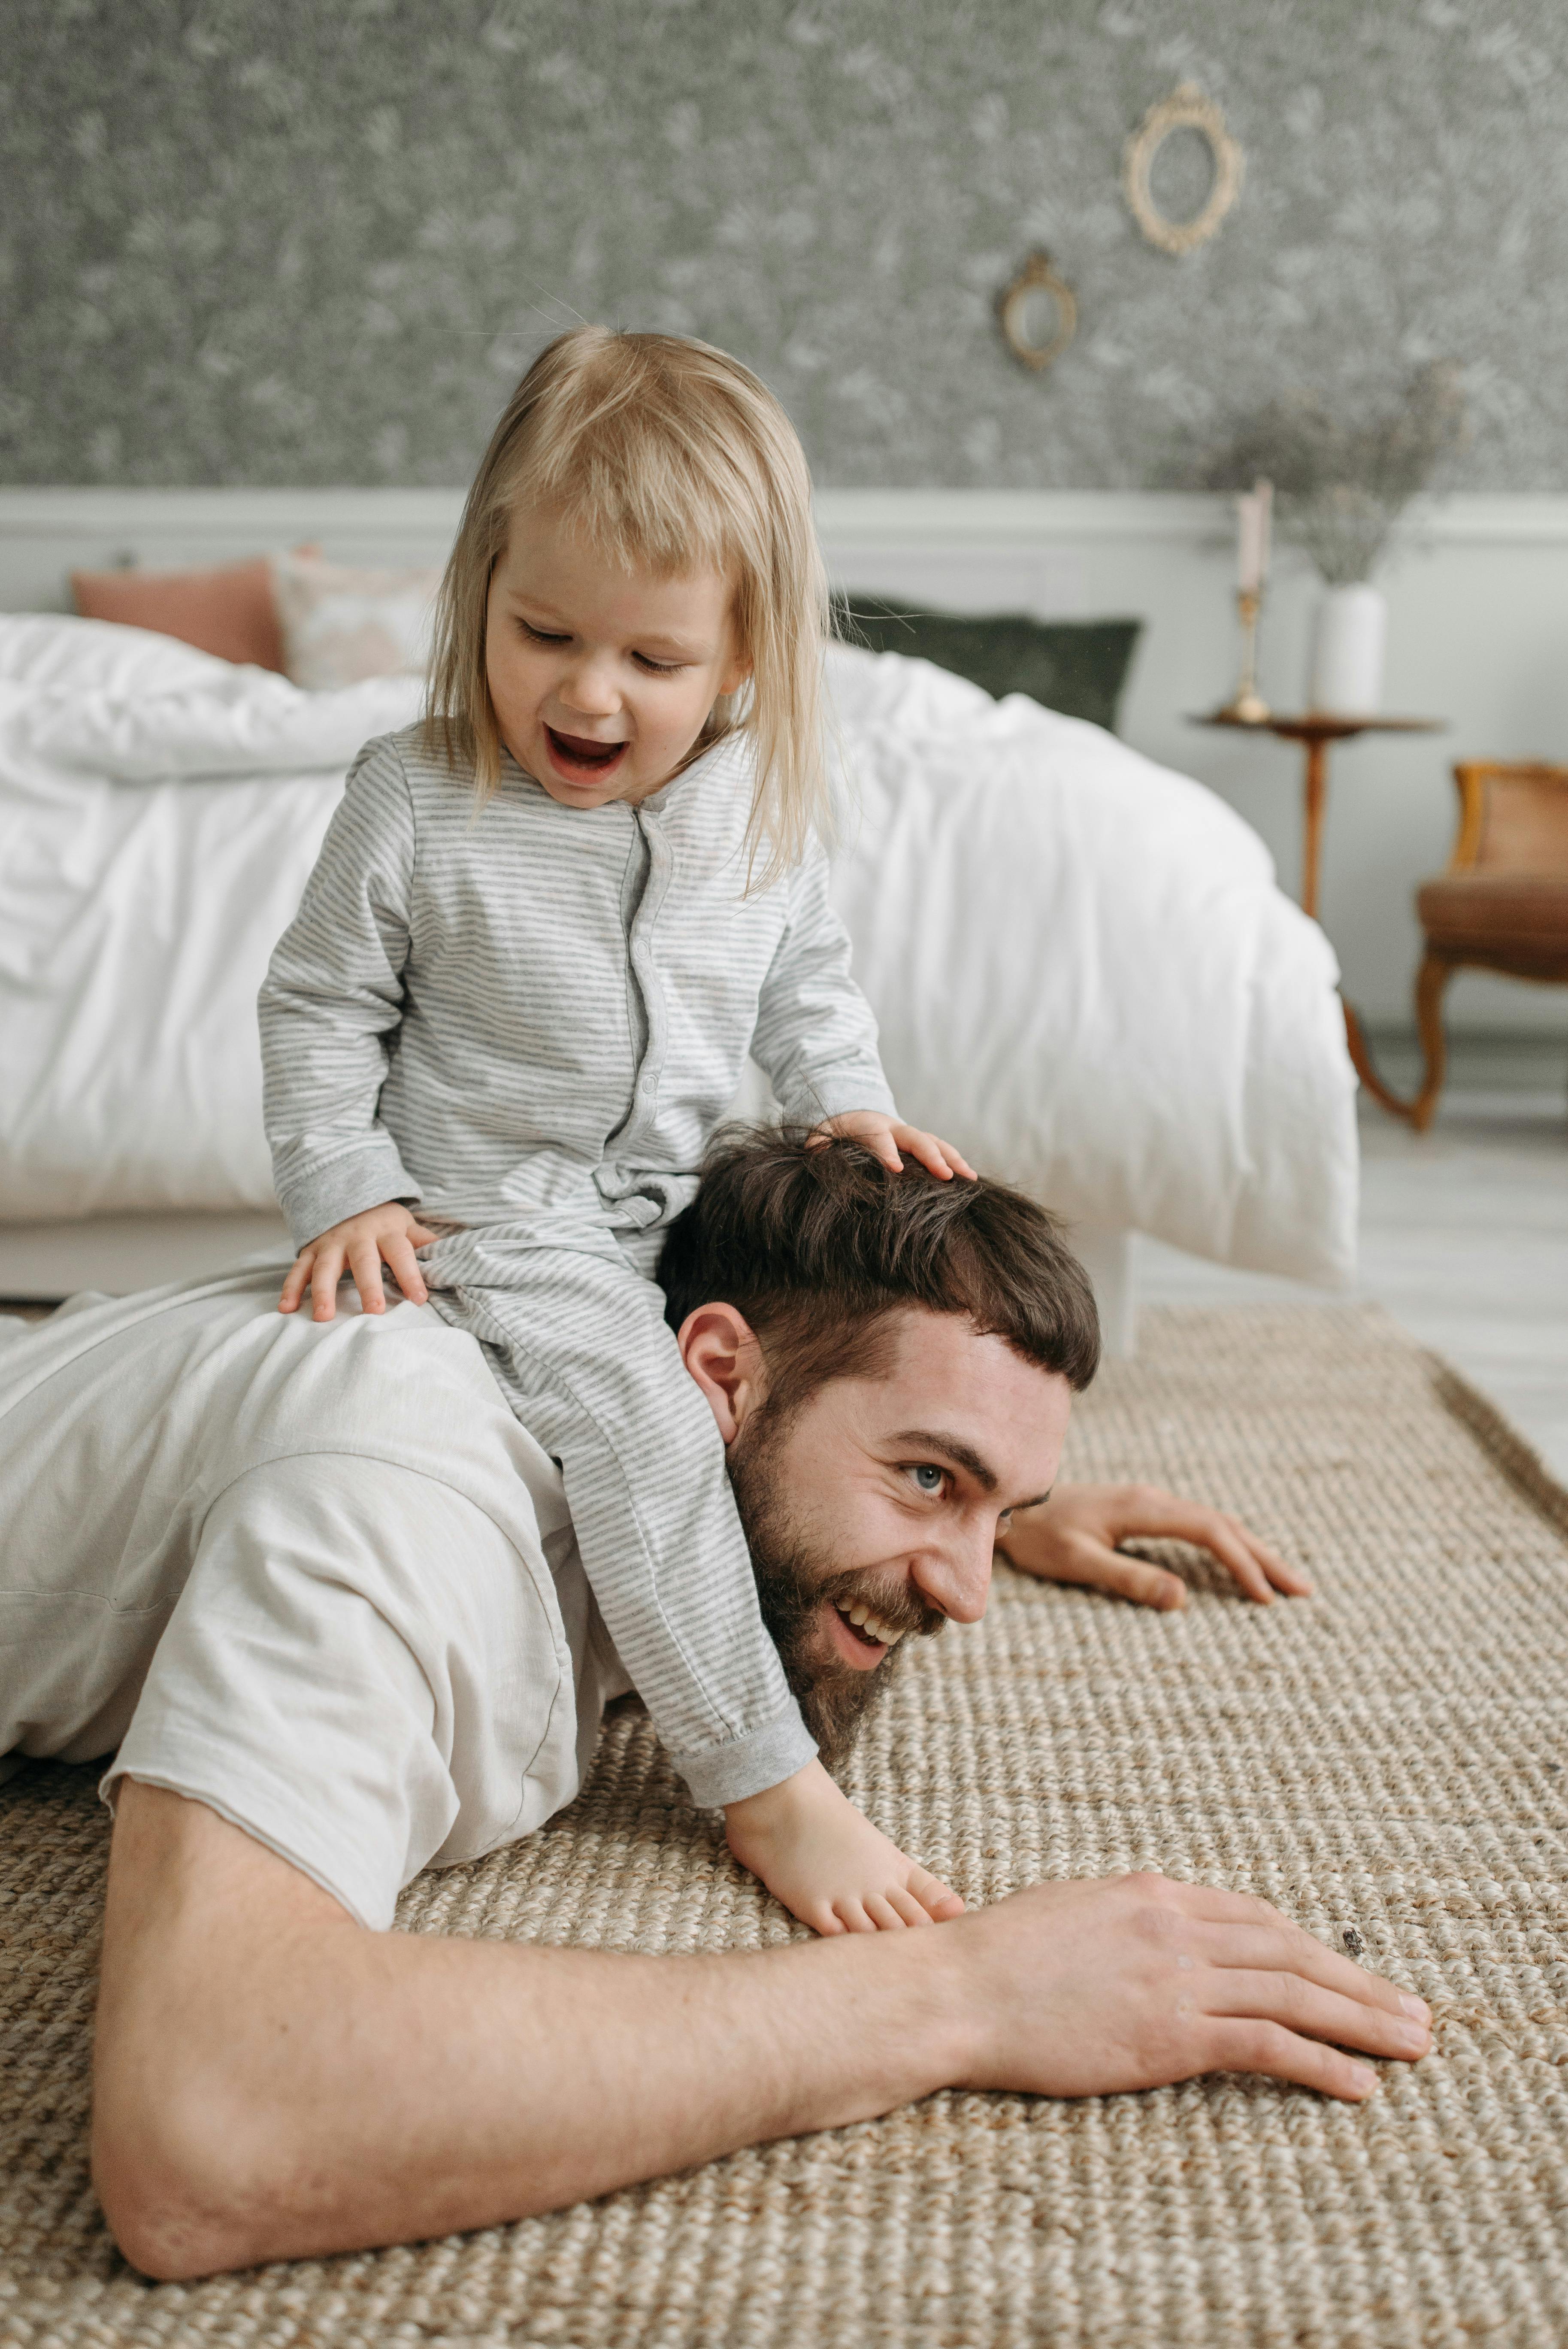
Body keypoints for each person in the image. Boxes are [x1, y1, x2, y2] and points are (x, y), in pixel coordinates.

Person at [0, 1132, 1430, 2283]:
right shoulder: (404, 1497)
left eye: (997, 1500)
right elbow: (207, 2120)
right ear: (719, 1374)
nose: (974, 1596)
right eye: (929, 1474)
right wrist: (963, 1995)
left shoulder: (608, 1309)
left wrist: (957, 1502)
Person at [258, 325, 979, 1939]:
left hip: (686, 1204)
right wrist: (350, 1186)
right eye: (543, 634)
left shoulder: (760, 800)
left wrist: (845, 1100)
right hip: (493, 1216)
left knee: (838, 1368)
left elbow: (805, 976)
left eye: (652, 662)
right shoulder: (415, 797)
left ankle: (723, 1622)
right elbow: (317, 1010)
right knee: (652, 1422)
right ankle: (764, 1783)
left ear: (739, 662)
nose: (587, 691)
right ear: (481, 594)